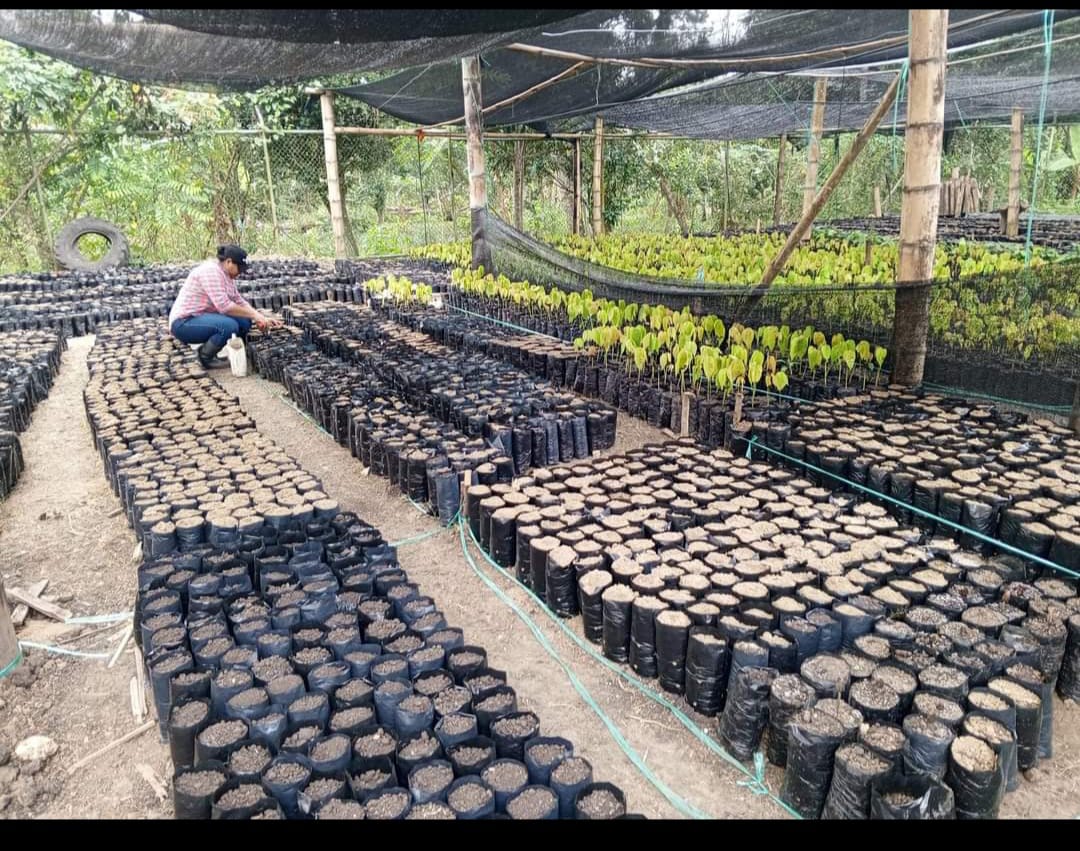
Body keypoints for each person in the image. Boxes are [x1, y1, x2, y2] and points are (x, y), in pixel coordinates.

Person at [169, 244, 281, 369]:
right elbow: (224, 306)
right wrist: (255, 315)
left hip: (200, 316)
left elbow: (238, 299)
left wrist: (259, 317)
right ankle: (205, 357)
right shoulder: (210, 272)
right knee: (228, 326)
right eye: (239, 268)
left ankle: (240, 351)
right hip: (184, 323)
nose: (240, 272)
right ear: (228, 262)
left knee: (244, 321)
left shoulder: (227, 275)